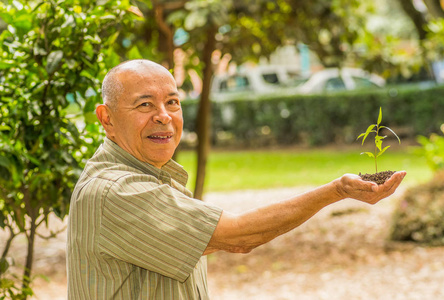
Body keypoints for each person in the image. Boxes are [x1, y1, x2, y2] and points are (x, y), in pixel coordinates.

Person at [66, 59, 406, 299]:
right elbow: (239, 236)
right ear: (106, 118)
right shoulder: (116, 191)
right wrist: (336, 191)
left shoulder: (153, 176)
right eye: (144, 105)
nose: (164, 117)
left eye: (173, 102)